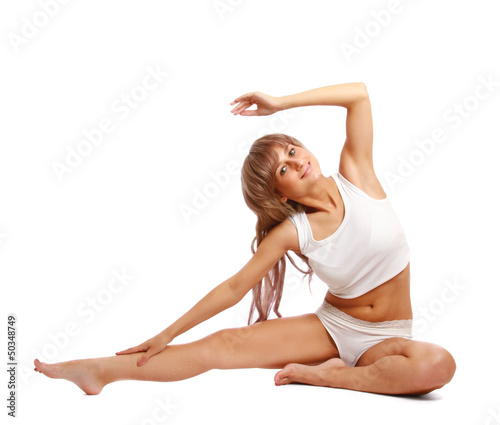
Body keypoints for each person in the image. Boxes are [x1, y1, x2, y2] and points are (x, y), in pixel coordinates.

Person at [34, 82, 456, 396]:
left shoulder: (358, 175)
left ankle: (327, 376)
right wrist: (167, 332)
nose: (295, 162)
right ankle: (100, 371)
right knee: (224, 345)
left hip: (388, 334)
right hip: (335, 327)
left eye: (291, 151)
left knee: (438, 365)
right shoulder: (293, 232)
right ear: (279, 194)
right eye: (282, 170)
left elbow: (359, 95)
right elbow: (235, 287)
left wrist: (280, 103)